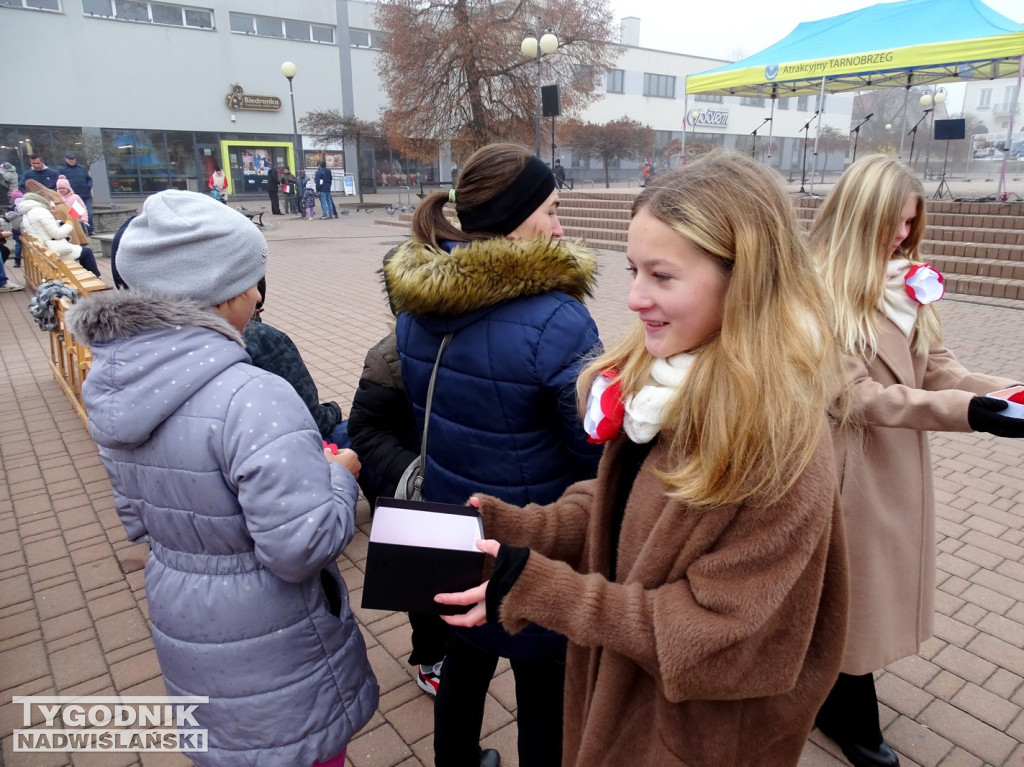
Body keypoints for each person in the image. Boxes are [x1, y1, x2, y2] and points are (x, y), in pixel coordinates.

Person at [435, 151, 852, 767]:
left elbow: (714, 632)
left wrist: (546, 591)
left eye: (661, 276)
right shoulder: (667, 383)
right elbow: (621, 508)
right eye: (633, 270)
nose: (632, 298)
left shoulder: (777, 441)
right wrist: (525, 528)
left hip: (692, 738)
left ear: (745, 278)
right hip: (625, 702)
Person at [64, 190, 379, 767]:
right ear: (222, 291)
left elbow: (136, 520)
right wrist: (338, 478)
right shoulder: (253, 394)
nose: (260, 294)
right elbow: (299, 546)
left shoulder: (114, 386)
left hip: (185, 618)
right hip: (276, 637)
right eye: (252, 280)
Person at [384, 142, 603, 767]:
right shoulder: (557, 317)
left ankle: (455, 760)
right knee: (542, 682)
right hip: (528, 531)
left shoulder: (417, 302)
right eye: (552, 210)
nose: (559, 228)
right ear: (515, 214)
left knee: (467, 655)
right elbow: (589, 450)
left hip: (454, 520)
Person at [809, 154, 1024, 767]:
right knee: (853, 592)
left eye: (910, 222)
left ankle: (836, 694)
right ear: (858, 216)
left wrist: (1002, 393)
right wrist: (966, 411)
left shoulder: (904, 282)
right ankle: (847, 710)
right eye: (892, 222)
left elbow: (938, 365)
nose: (903, 235)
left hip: (895, 459)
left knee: (865, 588)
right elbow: (851, 395)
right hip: (849, 465)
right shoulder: (818, 289)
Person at [244, 276, 350, 447]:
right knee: (361, 432)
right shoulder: (263, 339)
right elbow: (313, 420)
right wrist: (335, 410)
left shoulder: (191, 338)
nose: (259, 297)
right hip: (276, 450)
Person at [17, 192, 101, 276]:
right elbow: (57, 234)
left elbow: (39, 228)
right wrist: (69, 223)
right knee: (87, 252)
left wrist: (57, 222)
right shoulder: (41, 211)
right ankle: (95, 277)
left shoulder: (28, 213)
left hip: (41, 249)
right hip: (51, 251)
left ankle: (86, 275)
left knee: (82, 250)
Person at [58, 152, 94, 232]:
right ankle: (82, 231)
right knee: (76, 215)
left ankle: (91, 230)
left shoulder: (81, 168)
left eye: (73, 159)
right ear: (66, 160)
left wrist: (88, 186)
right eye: (70, 159)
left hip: (85, 195)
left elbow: (89, 179)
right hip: (73, 197)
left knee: (89, 213)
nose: (72, 161)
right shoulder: (62, 170)